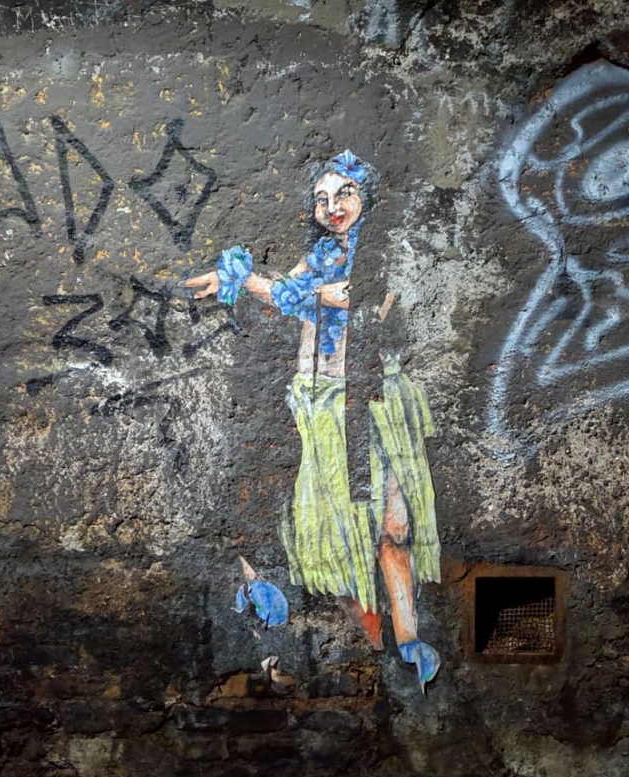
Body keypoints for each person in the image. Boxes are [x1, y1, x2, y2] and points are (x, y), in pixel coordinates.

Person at [185, 150, 441, 688]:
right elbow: (286, 295)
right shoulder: (323, 253)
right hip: (321, 400)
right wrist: (237, 278)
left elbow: (351, 299)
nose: (333, 206)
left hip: (374, 401)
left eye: (344, 193)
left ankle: (409, 635)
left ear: (368, 196)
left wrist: (272, 285)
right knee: (339, 535)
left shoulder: (387, 254)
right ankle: (375, 646)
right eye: (322, 199)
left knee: (394, 527)